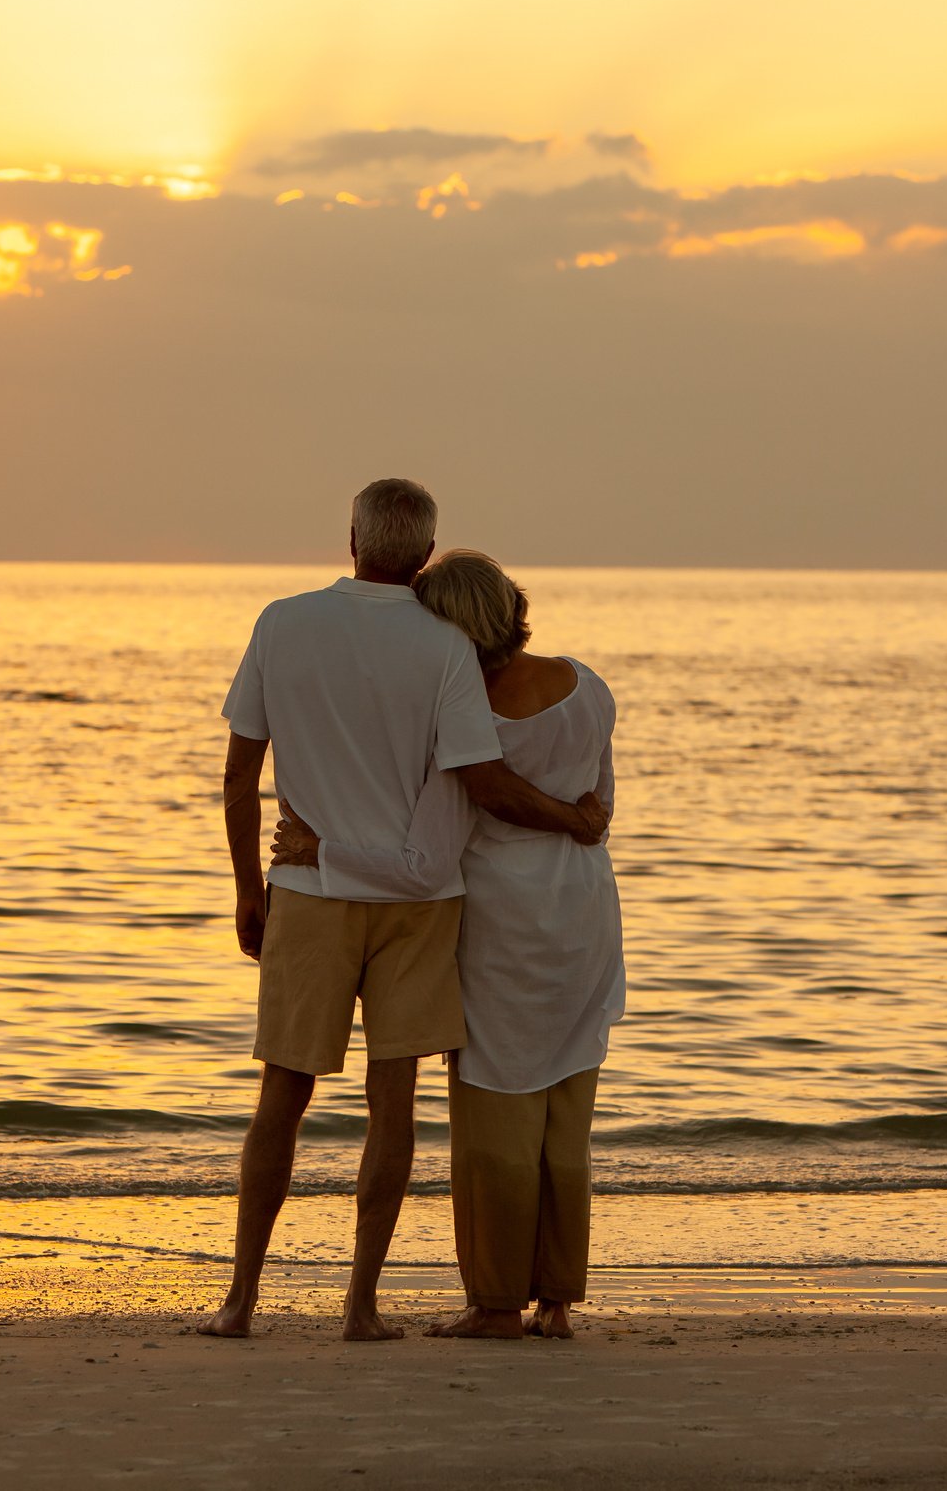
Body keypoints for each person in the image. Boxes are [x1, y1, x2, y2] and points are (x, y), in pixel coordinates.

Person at [201, 482, 609, 1343]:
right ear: (423, 554)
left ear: (349, 537)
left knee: (282, 1094)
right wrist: (576, 818)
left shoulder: (281, 621)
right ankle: (360, 1305)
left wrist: (247, 888)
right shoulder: (447, 649)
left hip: (310, 895)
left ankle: (240, 1300)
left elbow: (241, 776)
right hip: (423, 907)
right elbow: (473, 775)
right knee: (394, 1103)